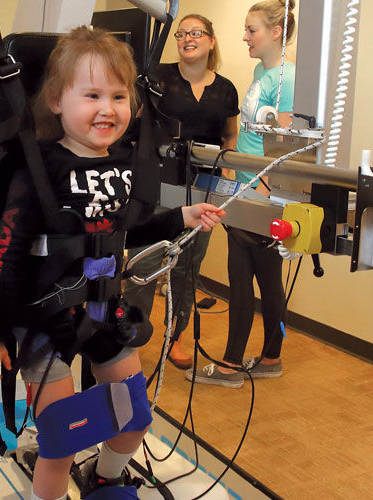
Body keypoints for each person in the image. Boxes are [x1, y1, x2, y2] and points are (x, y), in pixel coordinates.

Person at [0, 27, 225, 500]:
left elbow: (126, 230)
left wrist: (181, 217)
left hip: (104, 313)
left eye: (118, 96)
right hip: (44, 320)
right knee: (62, 440)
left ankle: (106, 478)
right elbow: (8, 259)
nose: (107, 109)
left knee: (133, 421)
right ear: (54, 100)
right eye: (91, 94)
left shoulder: (124, 168)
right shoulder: (36, 172)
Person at [122, 13, 240, 370]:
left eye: (196, 33)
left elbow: (229, 136)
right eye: (182, 34)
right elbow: (135, 122)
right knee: (144, 261)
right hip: (157, 186)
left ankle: (175, 339)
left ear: (211, 41)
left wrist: (226, 181)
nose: (188, 39)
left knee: (187, 268)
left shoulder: (225, 88)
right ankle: (129, 334)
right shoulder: (158, 78)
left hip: (202, 187)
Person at [190, 0, 296, 389]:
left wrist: (261, 196)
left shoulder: (288, 79)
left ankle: (233, 364)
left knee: (245, 277)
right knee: (263, 279)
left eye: (252, 30)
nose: (246, 37)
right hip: (246, 190)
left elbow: (285, 151)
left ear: (276, 33)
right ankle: (270, 357)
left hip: (261, 197)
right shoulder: (261, 72)